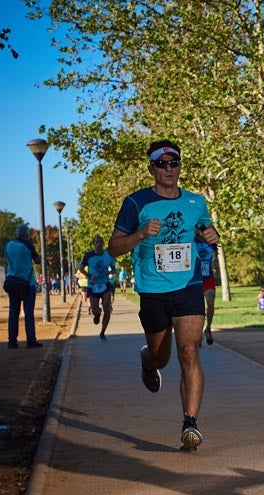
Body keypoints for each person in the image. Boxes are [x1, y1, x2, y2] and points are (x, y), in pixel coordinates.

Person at [108, 139, 219, 452]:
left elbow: (206, 232)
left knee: (189, 352)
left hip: (188, 286)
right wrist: (141, 233)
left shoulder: (196, 202)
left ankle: (190, 424)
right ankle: (147, 361)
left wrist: (212, 235)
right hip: (153, 291)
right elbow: (114, 248)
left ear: (180, 167)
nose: (169, 169)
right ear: (151, 168)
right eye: (161, 164)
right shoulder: (136, 203)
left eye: (174, 163)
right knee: (162, 357)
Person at [5, 224, 43, 349]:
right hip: (27, 283)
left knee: (13, 312)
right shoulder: (27, 245)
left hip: (12, 282)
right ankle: (30, 340)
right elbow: (37, 260)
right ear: (26, 235)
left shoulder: (8, 245)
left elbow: (8, 260)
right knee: (28, 312)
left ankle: (12, 341)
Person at [78, 235, 116, 341]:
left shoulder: (108, 256)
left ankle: (102, 332)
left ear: (103, 243)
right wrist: (89, 275)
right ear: (93, 244)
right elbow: (81, 268)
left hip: (105, 284)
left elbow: (114, 269)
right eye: (97, 242)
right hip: (93, 285)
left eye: (100, 242)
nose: (99, 244)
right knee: (94, 309)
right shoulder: (88, 256)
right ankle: (97, 314)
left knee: (107, 308)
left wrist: (109, 272)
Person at [196, 240, 217, 345]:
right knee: (198, 307)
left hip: (208, 279)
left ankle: (208, 328)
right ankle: (198, 332)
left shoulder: (211, 241)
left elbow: (215, 260)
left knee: (210, 303)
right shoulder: (191, 239)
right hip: (195, 279)